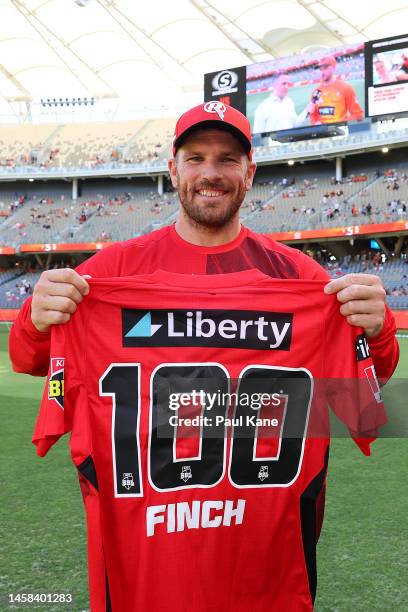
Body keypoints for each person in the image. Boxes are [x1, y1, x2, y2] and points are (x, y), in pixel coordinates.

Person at [9, 102, 399, 610]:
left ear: (250, 172)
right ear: (173, 170)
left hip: (269, 571)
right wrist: (36, 320)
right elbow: (29, 358)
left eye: (227, 159)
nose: (210, 173)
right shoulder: (106, 276)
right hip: (144, 574)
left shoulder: (305, 282)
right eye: (195, 158)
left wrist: (379, 328)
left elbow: (361, 388)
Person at [309, 55, 364, 125]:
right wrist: (316, 123)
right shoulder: (316, 92)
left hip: (340, 132)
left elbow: (358, 114)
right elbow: (313, 114)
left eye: (325, 68)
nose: (322, 72)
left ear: (334, 67)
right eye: (320, 69)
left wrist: (341, 125)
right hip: (323, 133)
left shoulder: (346, 88)